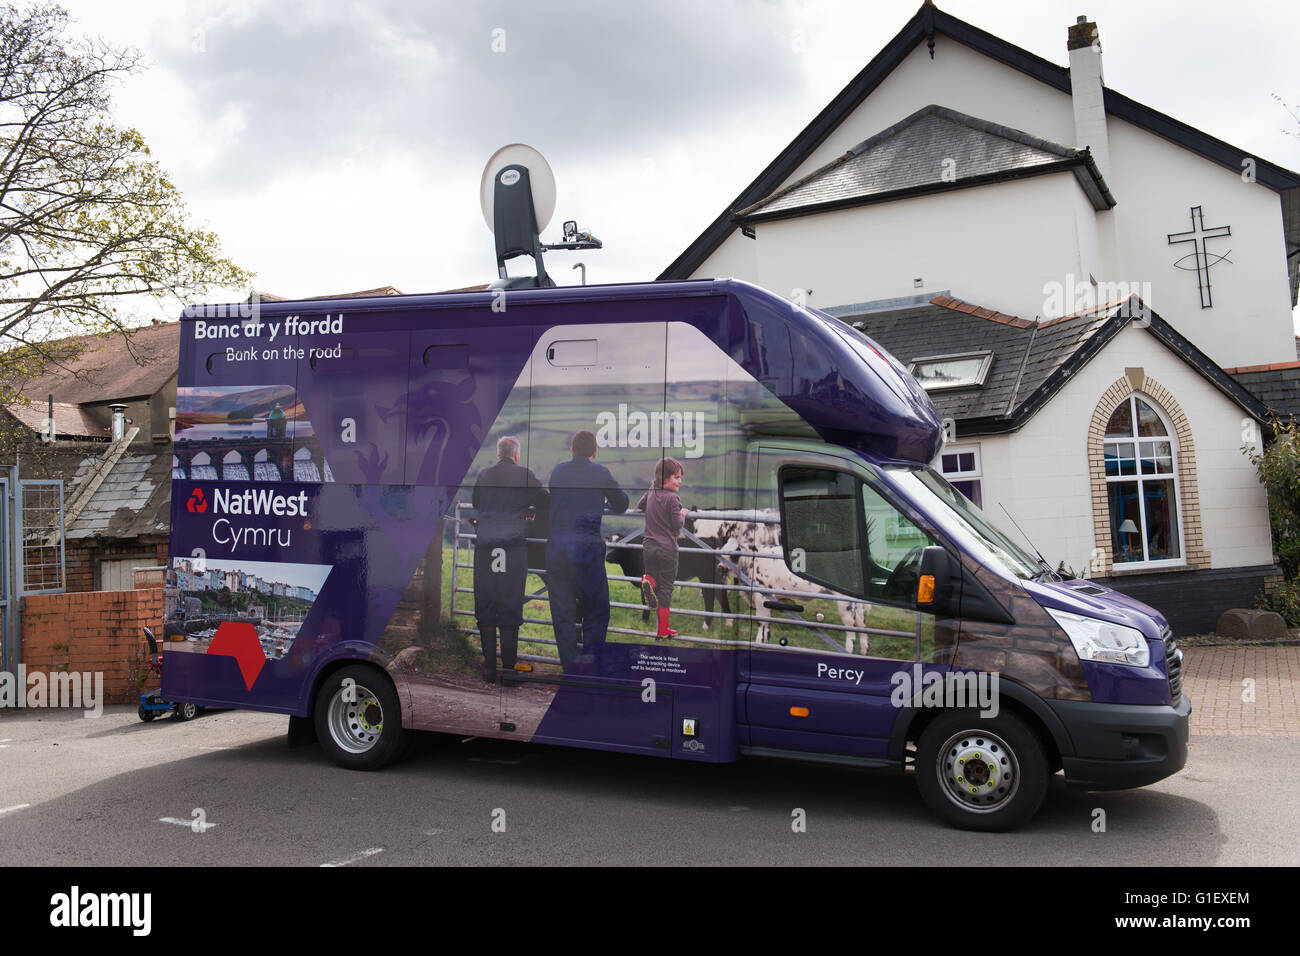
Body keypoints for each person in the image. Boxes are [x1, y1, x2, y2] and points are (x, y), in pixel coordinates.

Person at [547, 429, 629, 670]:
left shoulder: (557, 471)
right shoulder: (600, 473)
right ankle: (590, 669)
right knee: (597, 608)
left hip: (557, 547)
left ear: (572, 451)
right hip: (586, 547)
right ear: (594, 452)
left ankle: (570, 668)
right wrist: (600, 501)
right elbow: (622, 503)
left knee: (562, 610)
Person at [472, 436, 548, 685]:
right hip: (513, 548)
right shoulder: (524, 475)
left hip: (485, 548)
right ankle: (508, 669)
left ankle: (489, 669)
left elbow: (476, 502)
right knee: (509, 604)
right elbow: (545, 501)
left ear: (498, 453)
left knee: (486, 604)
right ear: (516, 455)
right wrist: (527, 508)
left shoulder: (484, 474)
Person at [636, 457, 685, 638]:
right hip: (667, 550)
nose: (680, 481)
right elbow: (677, 524)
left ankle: (647, 579)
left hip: (649, 547)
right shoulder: (673, 499)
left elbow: (640, 505)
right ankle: (663, 629)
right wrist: (683, 513)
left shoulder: (652, 491)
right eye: (676, 477)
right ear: (664, 477)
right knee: (666, 590)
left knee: (654, 579)